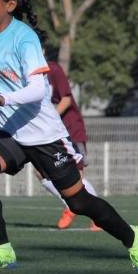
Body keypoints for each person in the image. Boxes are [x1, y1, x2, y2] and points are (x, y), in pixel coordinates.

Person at [0, 0, 138, 274]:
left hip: (42, 133)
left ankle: (133, 238)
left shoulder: (25, 39)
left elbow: (39, 90)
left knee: (78, 201)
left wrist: (3, 98)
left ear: (9, 5)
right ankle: (1, 248)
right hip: (8, 130)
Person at [41, 60, 101, 231]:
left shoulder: (53, 69)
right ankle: (70, 205)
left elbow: (66, 99)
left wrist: (49, 118)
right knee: (40, 171)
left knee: (77, 176)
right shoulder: (27, 73)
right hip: (50, 131)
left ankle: (98, 216)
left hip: (70, 128)